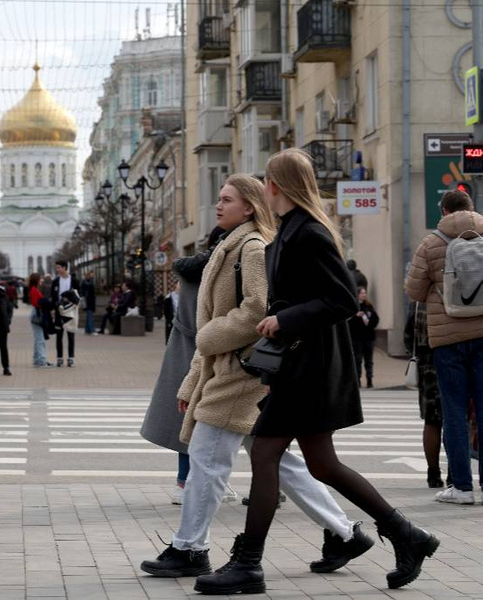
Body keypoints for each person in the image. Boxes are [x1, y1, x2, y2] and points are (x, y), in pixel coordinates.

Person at [195, 149, 439, 594]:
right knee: (322, 464)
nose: (264, 188)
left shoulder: (309, 232)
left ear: (275, 185)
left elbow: (344, 299)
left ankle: (248, 564)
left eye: (266, 181)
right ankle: (408, 536)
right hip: (297, 363)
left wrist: (285, 320)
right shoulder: (287, 231)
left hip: (312, 365)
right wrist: (280, 317)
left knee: (265, 454)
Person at [142, 174, 369, 581]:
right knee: (279, 462)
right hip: (230, 367)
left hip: (244, 370)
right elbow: (215, 323)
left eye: (227, 199)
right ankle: (345, 532)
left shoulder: (250, 247)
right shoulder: (230, 245)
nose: (218, 205)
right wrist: (192, 381)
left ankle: (189, 548)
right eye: (219, 198)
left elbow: (255, 311)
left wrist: (209, 338)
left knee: (207, 459)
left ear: (248, 207)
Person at [406, 188, 483, 504]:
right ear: (471, 207)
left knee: (453, 411)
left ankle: (461, 488)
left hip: (447, 340)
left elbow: (413, 290)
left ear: (443, 210)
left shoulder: (431, 243)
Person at [141, 227, 225, 506]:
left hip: (183, 351)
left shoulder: (190, 273)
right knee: (219, 423)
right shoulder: (216, 274)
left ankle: (184, 480)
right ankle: (198, 483)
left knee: (188, 421)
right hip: (208, 353)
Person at [404, 302, 450, 489]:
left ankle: (433, 474)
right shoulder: (457, 291)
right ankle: (456, 473)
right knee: (456, 418)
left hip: (426, 364)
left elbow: (408, 336)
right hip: (455, 361)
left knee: (431, 422)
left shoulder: (419, 301)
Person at [50, 260, 80, 367]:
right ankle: (59, 358)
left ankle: (71, 358)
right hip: (59, 310)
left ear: (64, 268)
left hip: (70, 311)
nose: (57, 269)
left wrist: (74, 303)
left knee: (71, 335)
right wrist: (53, 309)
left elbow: (78, 295)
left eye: (58, 267)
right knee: (59, 335)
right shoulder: (55, 281)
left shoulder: (74, 280)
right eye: (56, 267)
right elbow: (53, 296)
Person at [349, 286, 379, 388]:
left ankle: (369, 380)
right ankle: (357, 380)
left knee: (369, 360)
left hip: (368, 338)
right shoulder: (354, 307)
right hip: (357, 338)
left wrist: (369, 322)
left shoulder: (369, 306)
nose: (364, 295)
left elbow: (376, 320)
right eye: (362, 293)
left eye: (365, 293)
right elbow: (348, 324)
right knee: (357, 359)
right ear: (357, 295)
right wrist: (355, 316)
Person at [28, 272, 53, 368]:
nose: (42, 280)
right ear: (37, 280)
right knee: (40, 339)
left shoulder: (35, 289)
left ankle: (37, 359)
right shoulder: (34, 290)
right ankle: (42, 360)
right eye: (40, 279)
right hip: (37, 314)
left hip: (37, 313)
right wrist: (45, 302)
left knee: (38, 338)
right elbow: (35, 303)